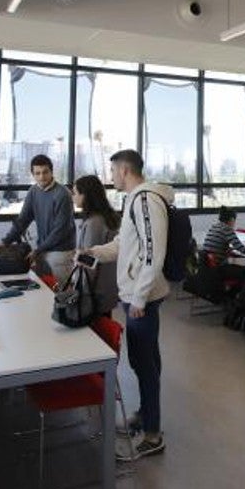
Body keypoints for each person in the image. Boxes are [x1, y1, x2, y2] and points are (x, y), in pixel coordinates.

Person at [86, 149, 170, 459]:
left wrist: (139, 297)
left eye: (112, 171)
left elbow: (153, 252)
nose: (110, 177)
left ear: (124, 170)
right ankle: (147, 415)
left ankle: (153, 435)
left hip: (141, 298)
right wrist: (95, 252)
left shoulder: (146, 199)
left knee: (144, 364)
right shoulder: (133, 199)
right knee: (146, 360)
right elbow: (124, 244)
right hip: (136, 295)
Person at [1, 154, 76, 278]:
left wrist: (38, 250)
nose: (42, 177)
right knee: (43, 289)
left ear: (52, 172)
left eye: (45, 172)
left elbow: (61, 230)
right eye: (37, 173)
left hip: (60, 252)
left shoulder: (63, 194)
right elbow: (23, 220)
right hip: (42, 249)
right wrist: (6, 241)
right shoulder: (33, 191)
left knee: (61, 293)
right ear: (33, 174)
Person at [72, 174, 120, 316]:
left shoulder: (95, 223)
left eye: (75, 193)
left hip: (95, 293)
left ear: (85, 195)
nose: (72, 197)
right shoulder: (106, 216)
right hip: (106, 288)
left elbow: (89, 264)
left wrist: (80, 291)